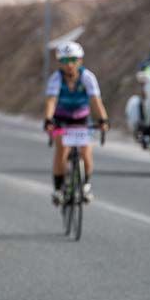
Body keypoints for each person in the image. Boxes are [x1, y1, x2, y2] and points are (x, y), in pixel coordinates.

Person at [42, 41, 109, 205]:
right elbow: (51, 101)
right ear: (60, 63)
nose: (69, 64)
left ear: (80, 60)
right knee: (62, 150)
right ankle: (58, 189)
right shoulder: (56, 78)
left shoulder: (87, 77)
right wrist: (48, 120)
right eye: (65, 61)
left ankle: (85, 185)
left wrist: (103, 120)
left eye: (73, 60)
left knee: (86, 152)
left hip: (82, 119)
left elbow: (95, 100)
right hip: (61, 120)